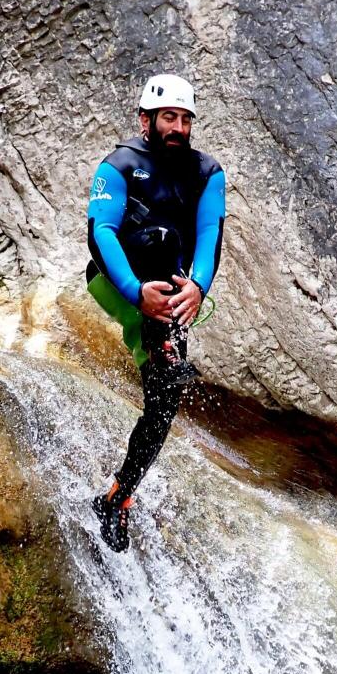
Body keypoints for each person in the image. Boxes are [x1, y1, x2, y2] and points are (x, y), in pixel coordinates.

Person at [87, 73, 226, 552]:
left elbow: (209, 236)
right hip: (116, 282)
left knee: (165, 404)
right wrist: (134, 290)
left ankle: (117, 497)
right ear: (145, 119)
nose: (179, 128)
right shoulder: (119, 165)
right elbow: (101, 232)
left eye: (186, 119)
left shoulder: (208, 172)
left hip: (166, 297)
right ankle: (159, 335)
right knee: (159, 238)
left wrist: (199, 288)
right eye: (170, 117)